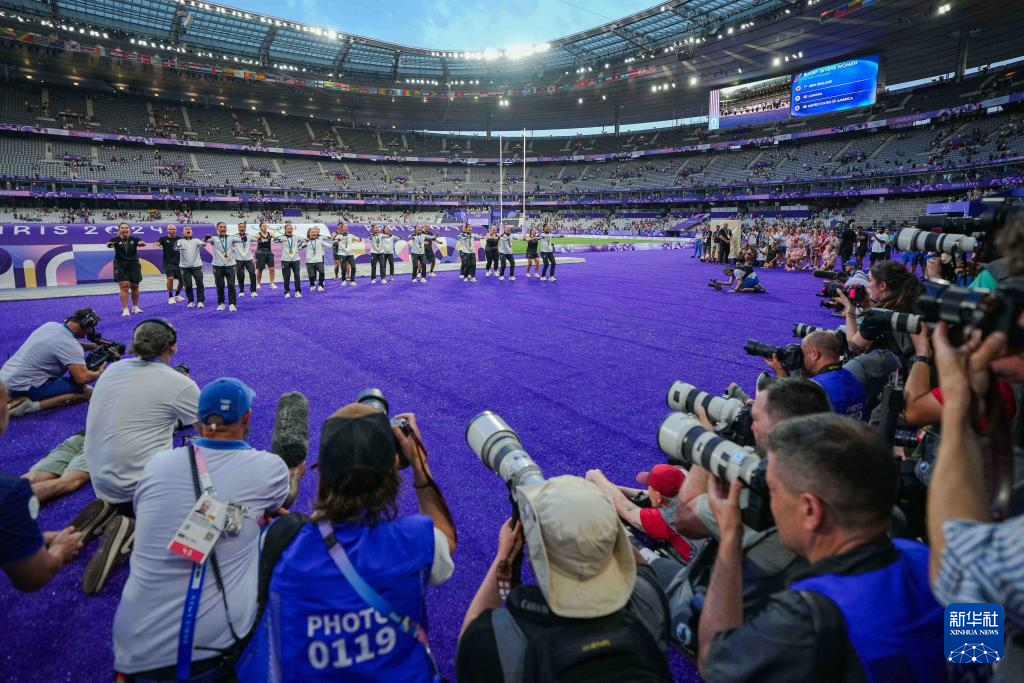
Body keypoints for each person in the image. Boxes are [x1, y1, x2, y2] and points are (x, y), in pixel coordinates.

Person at [698, 414, 946, 682]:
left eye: (773, 490)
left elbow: (715, 663)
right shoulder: (931, 561)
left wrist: (730, 540)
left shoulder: (804, 619)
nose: (770, 502)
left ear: (810, 510)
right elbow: (976, 655)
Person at [237, 403, 457, 682]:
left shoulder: (281, 542)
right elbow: (446, 537)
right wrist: (419, 464)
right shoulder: (413, 540)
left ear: (322, 472)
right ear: (394, 466)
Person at [112, 378, 289, 680]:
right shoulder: (269, 469)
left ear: (198, 419)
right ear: (247, 417)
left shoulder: (157, 464)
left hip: (132, 651)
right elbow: (280, 502)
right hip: (213, 655)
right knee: (281, 532)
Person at [456, 476, 672, 682]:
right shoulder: (647, 597)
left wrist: (505, 556)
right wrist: (595, 518)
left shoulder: (500, 641)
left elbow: (470, 635)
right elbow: (636, 565)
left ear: (533, 556)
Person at [668, 379, 831, 648]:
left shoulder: (762, 492)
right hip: (796, 598)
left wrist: (707, 445)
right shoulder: (836, 472)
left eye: (754, 418)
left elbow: (684, 519)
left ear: (779, 430)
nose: (749, 424)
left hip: (741, 623)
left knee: (650, 575)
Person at [82, 318, 200, 594]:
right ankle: (131, 531)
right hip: (140, 492)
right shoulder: (179, 384)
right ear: (172, 347)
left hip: (101, 483)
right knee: (208, 494)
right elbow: (210, 428)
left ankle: (106, 515)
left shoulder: (113, 369)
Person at [0, 379, 85, 592]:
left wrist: (29, 538)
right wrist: (60, 549)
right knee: (68, 482)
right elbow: (34, 576)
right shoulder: (9, 491)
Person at [1, 308, 105, 417]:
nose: (91, 331)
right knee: (83, 390)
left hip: (5, 381)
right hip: (22, 387)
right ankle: (31, 406)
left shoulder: (50, 326)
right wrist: (100, 372)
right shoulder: (71, 345)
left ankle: (12, 397)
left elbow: (66, 346)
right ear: (86, 325)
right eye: (91, 327)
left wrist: (93, 346)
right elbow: (82, 378)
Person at [586, 464, 693, 561]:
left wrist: (597, 477)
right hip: (701, 546)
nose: (648, 489)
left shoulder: (665, 518)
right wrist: (613, 488)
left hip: (691, 567)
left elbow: (624, 508)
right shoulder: (691, 494)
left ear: (658, 496)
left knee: (617, 529)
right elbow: (653, 495)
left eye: (649, 487)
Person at [765, 330, 866, 419]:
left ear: (815, 354)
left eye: (803, 354)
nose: (801, 360)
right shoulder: (854, 379)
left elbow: (785, 414)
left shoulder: (814, 389)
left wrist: (780, 373)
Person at [22, 429, 89, 504]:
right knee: (68, 481)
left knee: (32, 477)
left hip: (81, 435)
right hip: (95, 440)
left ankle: (13, 498)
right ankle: (15, 502)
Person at [106, 223, 147, 317]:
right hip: (120, 266)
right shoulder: (115, 239)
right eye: (122, 228)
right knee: (124, 286)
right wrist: (110, 244)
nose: (125, 229)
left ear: (129, 230)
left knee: (135, 286)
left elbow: (140, 242)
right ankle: (125, 309)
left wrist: (141, 243)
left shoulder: (134, 239)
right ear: (119, 230)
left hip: (134, 265)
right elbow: (109, 244)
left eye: (126, 228)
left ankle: (135, 306)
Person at [205, 222, 242, 312]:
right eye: (221, 227)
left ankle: (232, 304)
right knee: (220, 285)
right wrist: (205, 238)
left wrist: (244, 238)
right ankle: (221, 303)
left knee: (231, 285)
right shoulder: (214, 238)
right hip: (217, 266)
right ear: (217, 229)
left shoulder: (231, 237)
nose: (223, 228)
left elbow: (242, 240)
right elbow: (205, 242)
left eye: (224, 227)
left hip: (230, 265)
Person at [174, 226, 206, 309]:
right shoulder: (180, 241)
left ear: (192, 231)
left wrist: (205, 241)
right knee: (188, 285)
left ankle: (200, 301)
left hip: (197, 266)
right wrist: (181, 247)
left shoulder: (196, 240)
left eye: (189, 229)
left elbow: (203, 244)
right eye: (186, 229)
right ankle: (191, 301)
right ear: (183, 232)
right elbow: (175, 248)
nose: (188, 230)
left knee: (199, 283)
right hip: (184, 267)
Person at [156, 225, 184, 305]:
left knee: (182, 281)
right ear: (168, 230)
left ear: (176, 230)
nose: (172, 230)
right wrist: (157, 245)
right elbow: (157, 243)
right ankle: (170, 297)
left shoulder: (180, 239)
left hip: (179, 263)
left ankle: (177, 295)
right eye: (171, 229)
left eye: (174, 229)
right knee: (170, 278)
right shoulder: (163, 239)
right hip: (168, 263)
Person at [300, 225, 331, 292]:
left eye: (315, 232)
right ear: (309, 233)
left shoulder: (319, 241)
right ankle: (312, 285)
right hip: (309, 261)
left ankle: (320, 285)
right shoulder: (306, 241)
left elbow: (329, 245)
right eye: (312, 232)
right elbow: (300, 248)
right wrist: (304, 244)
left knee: (322, 272)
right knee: (311, 275)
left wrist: (337, 242)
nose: (314, 233)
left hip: (319, 260)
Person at [278, 223, 303, 298]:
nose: (289, 229)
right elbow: (274, 240)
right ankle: (287, 292)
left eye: (291, 228)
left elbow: (304, 240)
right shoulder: (282, 237)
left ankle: (297, 291)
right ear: (285, 229)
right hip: (285, 259)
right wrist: (279, 238)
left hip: (295, 259)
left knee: (297, 275)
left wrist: (299, 246)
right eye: (288, 228)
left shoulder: (296, 237)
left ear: (292, 229)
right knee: (286, 276)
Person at [233, 222, 258, 298]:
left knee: (252, 274)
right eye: (240, 227)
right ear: (238, 228)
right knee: (240, 275)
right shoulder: (234, 237)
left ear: (245, 228)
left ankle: (253, 291)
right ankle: (241, 291)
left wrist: (260, 235)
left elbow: (258, 239)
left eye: (243, 227)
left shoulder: (249, 236)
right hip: (238, 259)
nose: (241, 228)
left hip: (248, 259)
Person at [254, 222, 277, 289]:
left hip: (269, 252)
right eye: (263, 226)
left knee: (272, 269)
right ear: (260, 227)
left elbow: (277, 238)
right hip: (260, 252)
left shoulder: (270, 234)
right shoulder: (258, 234)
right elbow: (254, 238)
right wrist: (258, 238)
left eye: (265, 226)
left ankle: (272, 283)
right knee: (259, 269)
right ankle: (258, 283)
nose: (265, 227)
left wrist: (275, 236)